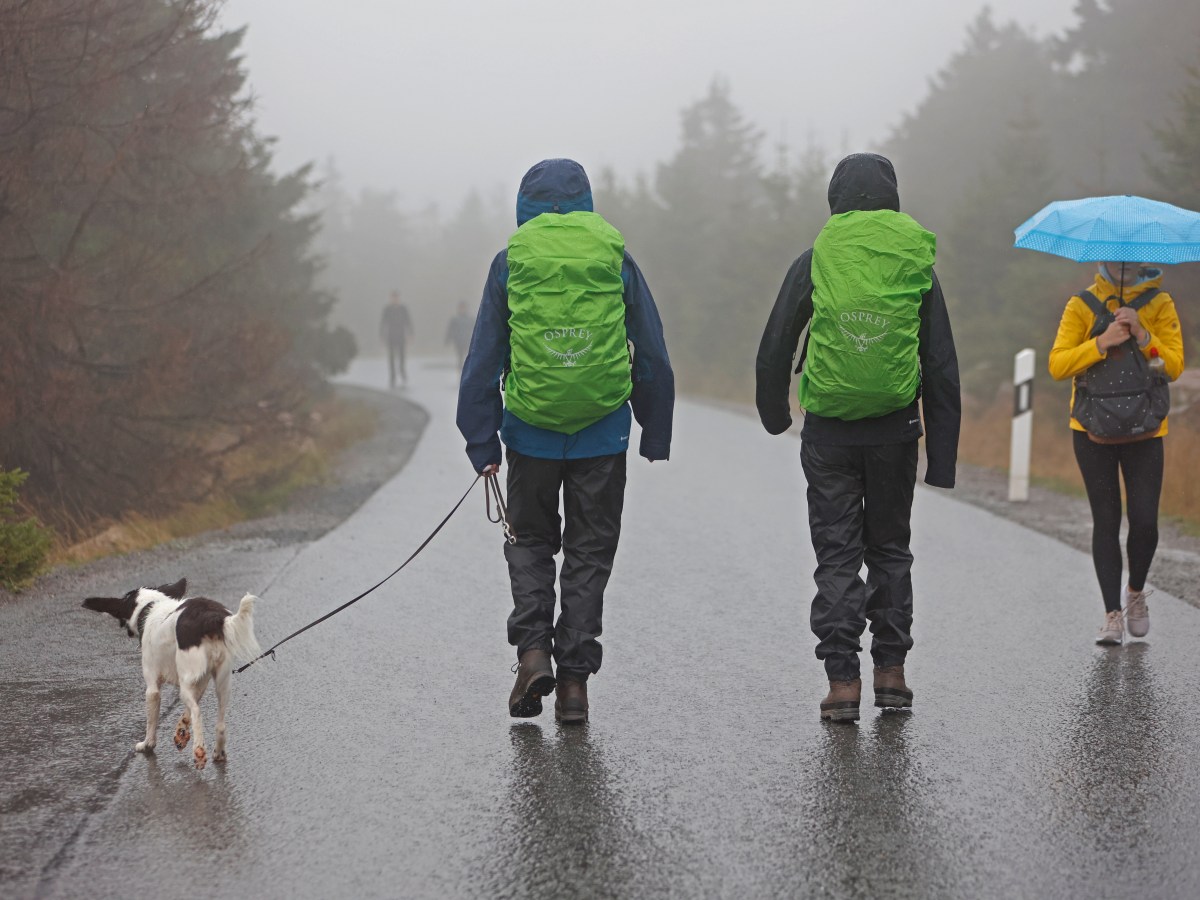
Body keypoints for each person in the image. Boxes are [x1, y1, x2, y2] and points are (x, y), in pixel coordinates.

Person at [457, 158, 674, 724]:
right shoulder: (614, 256)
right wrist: (655, 429)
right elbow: (650, 350)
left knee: (530, 542)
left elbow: (484, 357)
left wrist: (482, 441)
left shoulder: (511, 261)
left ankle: (533, 654)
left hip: (530, 432)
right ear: (585, 201)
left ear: (526, 204)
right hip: (602, 432)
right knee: (589, 552)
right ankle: (574, 684)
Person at [755, 153, 961, 723]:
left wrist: (775, 413)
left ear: (836, 197)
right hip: (896, 431)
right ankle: (891, 674)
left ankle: (843, 681)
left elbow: (776, 343)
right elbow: (940, 362)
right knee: (891, 550)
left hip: (829, 435)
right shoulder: (914, 259)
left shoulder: (817, 257)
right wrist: (941, 456)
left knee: (838, 556)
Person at [1048, 261, 1184, 645]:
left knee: (1144, 522)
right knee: (1105, 521)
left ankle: (1135, 592)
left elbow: (1169, 367)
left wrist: (1142, 334)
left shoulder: (1160, 303)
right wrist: (1101, 342)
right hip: (1091, 428)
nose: (1123, 269)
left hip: (1146, 427)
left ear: (1145, 263)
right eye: (1115, 262)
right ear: (1102, 261)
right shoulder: (1082, 304)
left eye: (1133, 264)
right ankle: (1112, 615)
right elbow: (1058, 365)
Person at [380, 290, 412, 388]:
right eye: (393, 297)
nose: (395, 299)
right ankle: (392, 376)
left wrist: (411, 334)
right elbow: (383, 323)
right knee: (391, 358)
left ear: (399, 298)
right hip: (391, 337)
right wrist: (381, 335)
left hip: (401, 336)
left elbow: (408, 321)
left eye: (396, 297)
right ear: (391, 298)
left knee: (402, 356)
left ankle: (402, 371)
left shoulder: (403, 309)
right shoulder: (387, 309)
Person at [444, 301, 474, 375]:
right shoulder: (455, 319)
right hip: (458, 342)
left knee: (468, 357)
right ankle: (460, 373)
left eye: (463, 308)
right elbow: (450, 330)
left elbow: (475, 329)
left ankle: (468, 372)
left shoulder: (470, 319)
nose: (462, 309)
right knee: (460, 357)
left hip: (468, 341)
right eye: (461, 308)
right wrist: (447, 340)